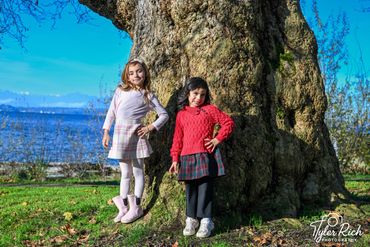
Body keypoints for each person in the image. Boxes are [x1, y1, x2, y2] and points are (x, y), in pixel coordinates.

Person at [102, 58, 169, 224]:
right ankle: (124, 206)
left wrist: (150, 127)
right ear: (127, 76)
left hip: (136, 136)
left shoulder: (148, 95)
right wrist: (106, 132)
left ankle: (137, 206)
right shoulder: (120, 91)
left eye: (139, 71)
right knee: (125, 174)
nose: (135, 75)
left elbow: (164, 115)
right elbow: (112, 112)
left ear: (145, 73)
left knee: (138, 172)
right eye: (131, 73)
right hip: (120, 135)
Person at [169, 77, 234, 238]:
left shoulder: (210, 110)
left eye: (202, 95)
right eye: (195, 93)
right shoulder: (181, 115)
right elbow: (177, 138)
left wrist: (217, 139)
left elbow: (228, 123)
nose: (198, 98)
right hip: (186, 157)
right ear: (187, 93)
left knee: (205, 189)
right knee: (190, 189)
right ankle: (191, 219)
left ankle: (206, 221)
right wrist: (175, 159)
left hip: (205, 156)